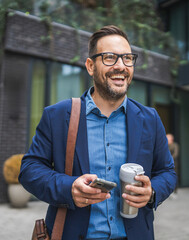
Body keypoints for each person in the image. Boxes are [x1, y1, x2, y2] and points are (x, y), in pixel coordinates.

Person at [19, 25, 176, 240]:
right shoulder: (57, 116)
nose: (121, 66)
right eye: (110, 57)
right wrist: (69, 188)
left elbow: (167, 172)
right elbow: (29, 170)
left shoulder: (150, 119)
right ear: (91, 66)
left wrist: (152, 193)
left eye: (127, 58)